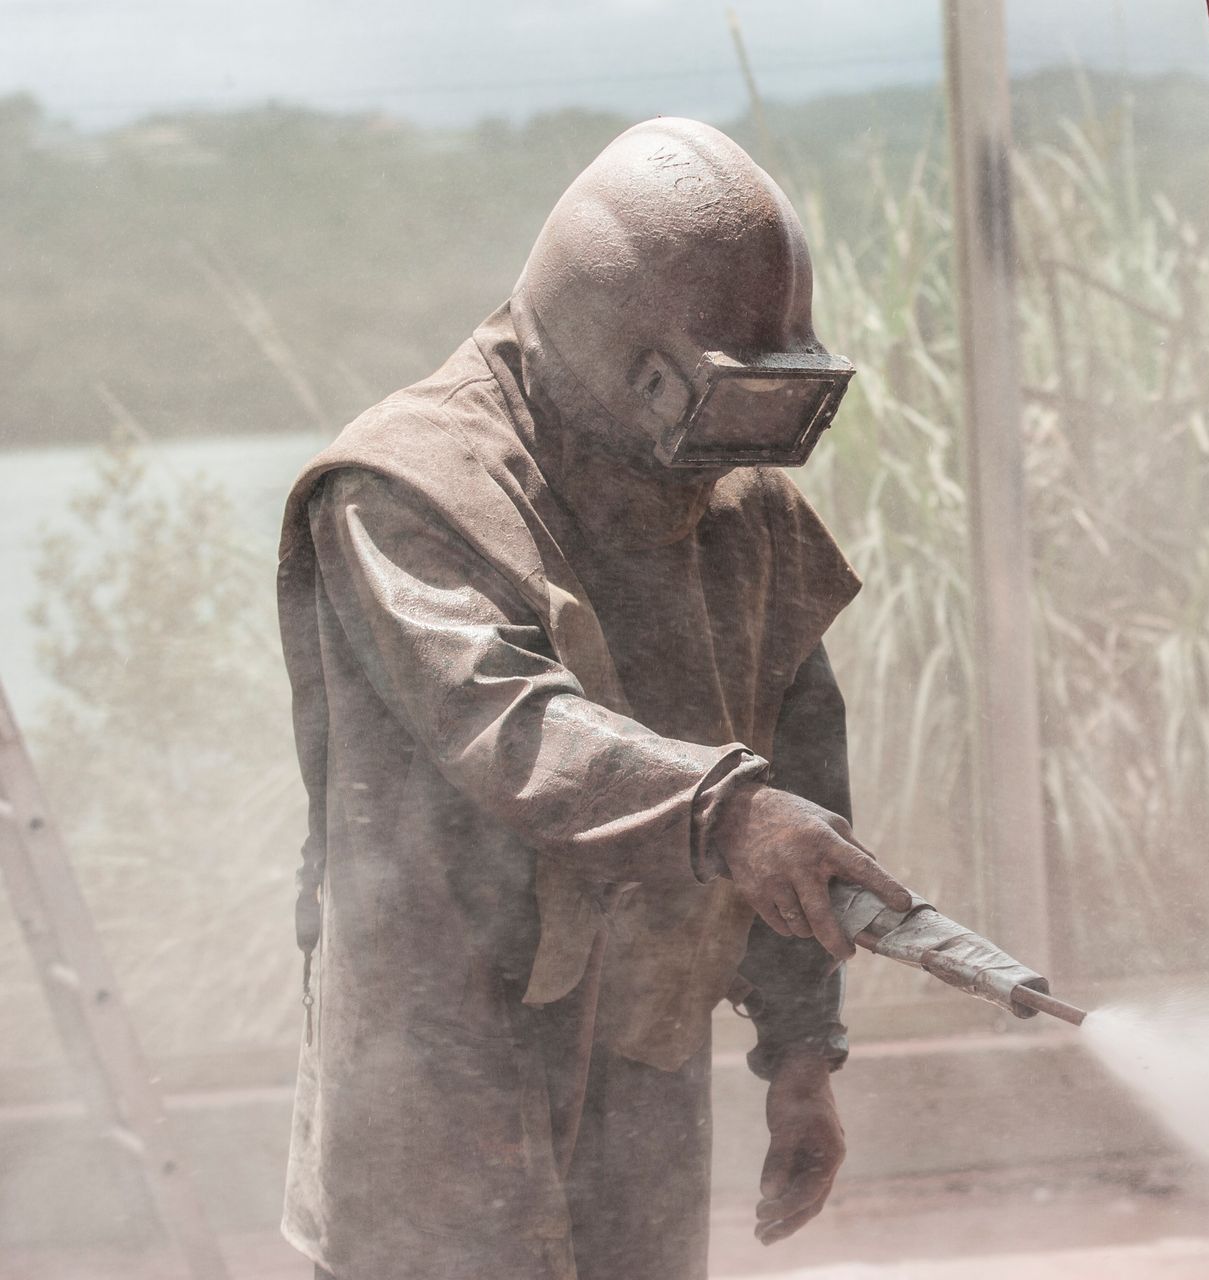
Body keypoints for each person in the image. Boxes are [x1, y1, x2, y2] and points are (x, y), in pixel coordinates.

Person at [274, 116, 911, 1280]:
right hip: (442, 1076)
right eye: (713, 408)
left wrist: (801, 1052)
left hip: (642, 1078)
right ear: (633, 361)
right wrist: (727, 815)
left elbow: (802, 774)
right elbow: (504, 721)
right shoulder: (404, 487)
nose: (730, 456)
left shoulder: (734, 507)